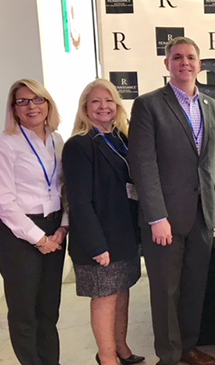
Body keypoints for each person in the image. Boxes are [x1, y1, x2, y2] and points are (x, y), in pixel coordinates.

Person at [129, 36, 215, 365]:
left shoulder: (214, 107)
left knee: (193, 287)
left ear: (200, 65)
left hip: (203, 214)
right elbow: (143, 165)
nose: (184, 62)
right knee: (165, 291)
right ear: (167, 64)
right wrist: (157, 216)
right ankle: (169, 356)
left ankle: (188, 346)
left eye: (190, 57)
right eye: (177, 57)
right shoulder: (148, 105)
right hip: (166, 219)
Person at [62, 79, 144, 365]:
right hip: (100, 238)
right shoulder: (79, 145)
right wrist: (97, 246)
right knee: (105, 299)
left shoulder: (121, 138)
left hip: (124, 232)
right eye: (96, 101)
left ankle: (121, 348)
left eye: (109, 100)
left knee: (122, 292)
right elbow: (79, 202)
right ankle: (107, 358)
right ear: (85, 107)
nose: (103, 107)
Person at [0, 79, 68, 365]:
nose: (31, 106)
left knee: (49, 309)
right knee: (24, 311)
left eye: (37, 99)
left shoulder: (57, 139)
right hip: (18, 234)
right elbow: (3, 201)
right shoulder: (5, 143)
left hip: (55, 229)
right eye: (23, 101)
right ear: (13, 109)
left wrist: (63, 226)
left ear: (47, 103)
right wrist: (38, 238)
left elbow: (64, 189)